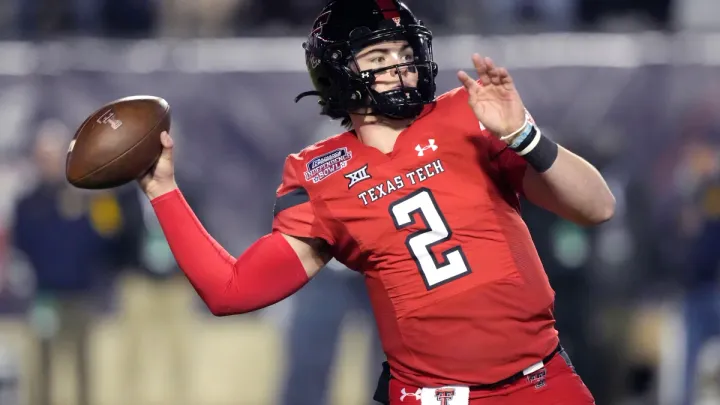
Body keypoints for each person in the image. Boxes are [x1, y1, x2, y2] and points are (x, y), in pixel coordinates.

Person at [138, 1, 615, 404]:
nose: (400, 66)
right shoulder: (320, 172)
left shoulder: (468, 114)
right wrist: (164, 192)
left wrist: (523, 135)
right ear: (339, 71)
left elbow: (596, 207)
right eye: (379, 55)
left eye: (406, 52)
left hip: (542, 380)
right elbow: (230, 290)